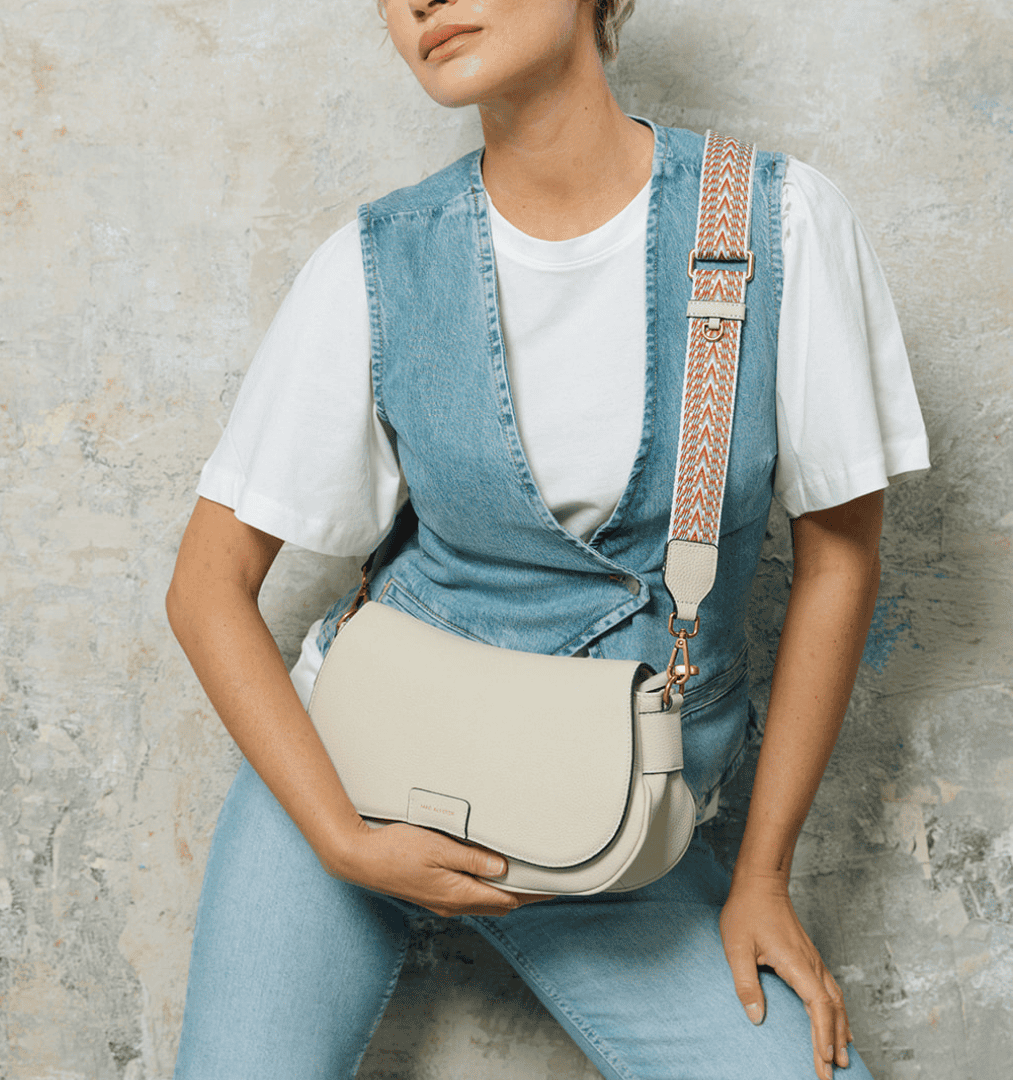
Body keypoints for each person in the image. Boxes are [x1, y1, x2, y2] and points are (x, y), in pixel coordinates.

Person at [165, 2, 930, 1078]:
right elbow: (206, 587)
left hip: (621, 821)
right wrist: (343, 838)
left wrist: (762, 876)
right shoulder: (376, 265)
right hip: (360, 771)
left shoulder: (778, 226)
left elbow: (840, 561)